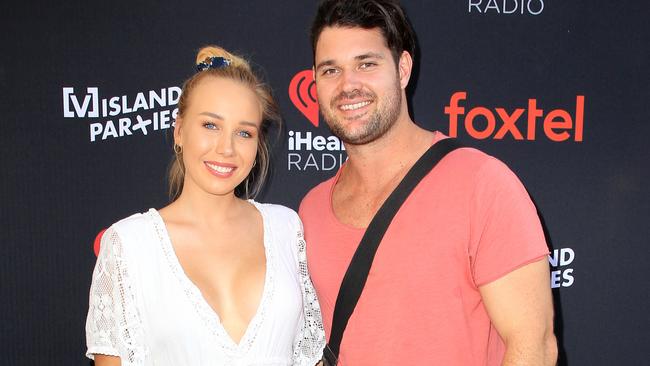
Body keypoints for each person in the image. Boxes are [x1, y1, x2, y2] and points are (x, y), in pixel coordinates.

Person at [298, 1, 558, 365]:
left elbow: (534, 347)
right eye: (331, 70)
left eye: (366, 64)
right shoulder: (310, 210)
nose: (348, 85)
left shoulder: (482, 185)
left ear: (402, 69)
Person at [85, 45, 325, 366]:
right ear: (179, 130)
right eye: (210, 125)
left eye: (244, 132)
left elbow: (310, 359)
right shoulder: (129, 245)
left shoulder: (286, 228)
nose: (226, 148)